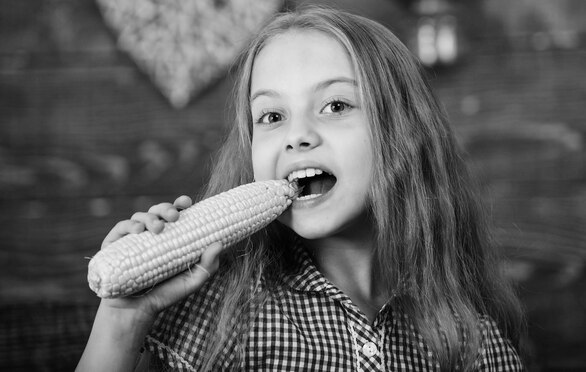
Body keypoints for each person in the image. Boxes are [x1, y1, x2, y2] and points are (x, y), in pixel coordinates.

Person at [77, 6, 525, 371]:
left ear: (403, 134)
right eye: (272, 116)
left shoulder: (471, 341)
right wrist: (123, 320)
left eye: (335, 105)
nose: (297, 136)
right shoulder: (211, 311)